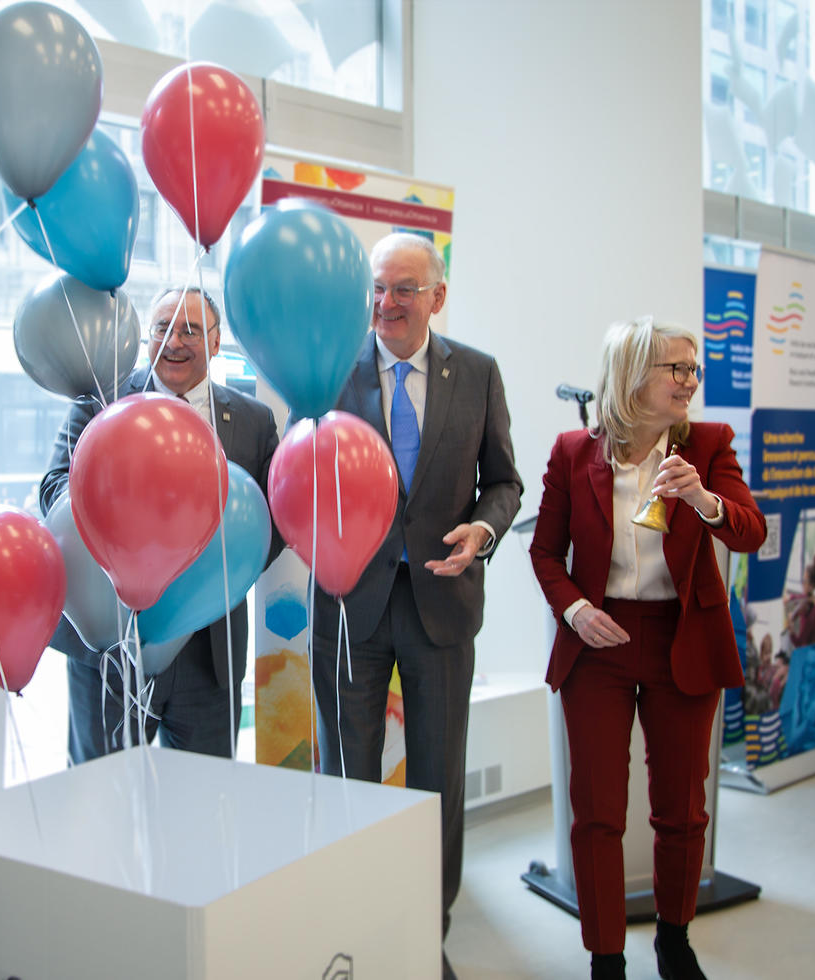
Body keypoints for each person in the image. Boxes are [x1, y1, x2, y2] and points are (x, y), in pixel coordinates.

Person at [529, 316, 765, 980]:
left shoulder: (709, 445)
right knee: (597, 812)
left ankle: (674, 939)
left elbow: (750, 531)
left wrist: (703, 498)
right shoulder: (573, 452)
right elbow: (545, 552)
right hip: (597, 643)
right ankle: (606, 956)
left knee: (682, 810)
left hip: (680, 638)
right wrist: (576, 610)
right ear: (633, 374)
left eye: (694, 369)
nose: (690, 382)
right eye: (677, 369)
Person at [310, 232, 522, 961]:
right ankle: (352, 934)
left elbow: (504, 481)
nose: (387, 302)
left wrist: (484, 531)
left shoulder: (479, 374)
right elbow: (300, 470)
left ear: (438, 296)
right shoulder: (328, 370)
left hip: (443, 603)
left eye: (404, 288)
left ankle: (426, 939)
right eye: (378, 287)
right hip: (350, 606)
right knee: (348, 777)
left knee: (437, 782)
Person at [39, 286, 280, 762]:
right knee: (101, 789)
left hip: (208, 652)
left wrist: (219, 574)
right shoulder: (101, 399)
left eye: (190, 330)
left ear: (216, 342)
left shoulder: (253, 420)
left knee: (204, 792)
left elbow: (271, 518)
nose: (174, 342)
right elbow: (54, 488)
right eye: (162, 328)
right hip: (110, 641)